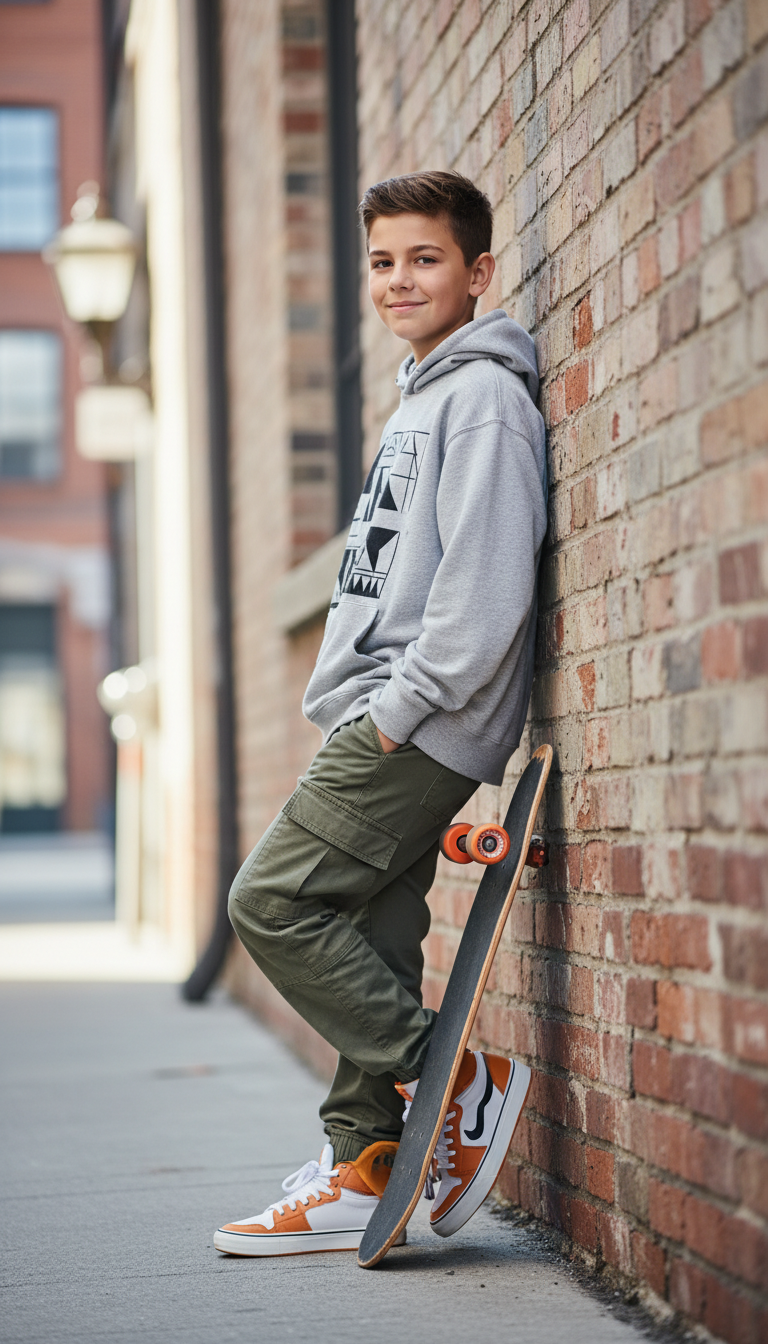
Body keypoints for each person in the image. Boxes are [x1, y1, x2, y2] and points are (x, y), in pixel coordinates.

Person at [214, 170, 547, 1257]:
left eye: (426, 259)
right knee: (369, 936)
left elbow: (485, 590)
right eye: (383, 262)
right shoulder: (423, 397)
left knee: (272, 901)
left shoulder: (482, 399)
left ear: (477, 272)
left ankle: (455, 1082)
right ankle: (365, 1162)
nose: (400, 280)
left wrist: (396, 716)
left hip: (417, 719)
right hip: (390, 713)